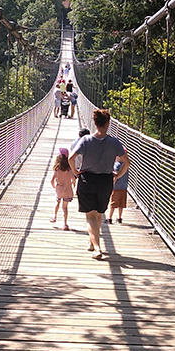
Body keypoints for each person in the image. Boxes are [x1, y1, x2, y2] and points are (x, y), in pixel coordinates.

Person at [70, 108, 129, 260]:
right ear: (108, 123)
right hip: (105, 181)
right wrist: (117, 176)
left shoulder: (86, 140)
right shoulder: (115, 142)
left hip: (87, 179)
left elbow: (71, 158)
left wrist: (76, 172)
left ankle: (97, 248)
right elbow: (126, 163)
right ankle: (92, 242)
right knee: (98, 213)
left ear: (95, 123)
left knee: (90, 216)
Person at [50, 147, 74, 229]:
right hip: (67, 191)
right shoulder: (69, 169)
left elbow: (51, 180)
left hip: (59, 190)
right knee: (65, 207)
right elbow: (73, 179)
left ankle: (54, 216)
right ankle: (64, 224)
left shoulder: (56, 169)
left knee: (57, 203)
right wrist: (72, 183)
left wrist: (54, 186)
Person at [107, 157, 129, 224]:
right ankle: (119, 218)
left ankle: (110, 218)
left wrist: (111, 184)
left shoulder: (116, 165)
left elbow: (115, 175)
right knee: (121, 204)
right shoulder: (126, 164)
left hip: (116, 188)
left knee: (113, 204)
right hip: (124, 187)